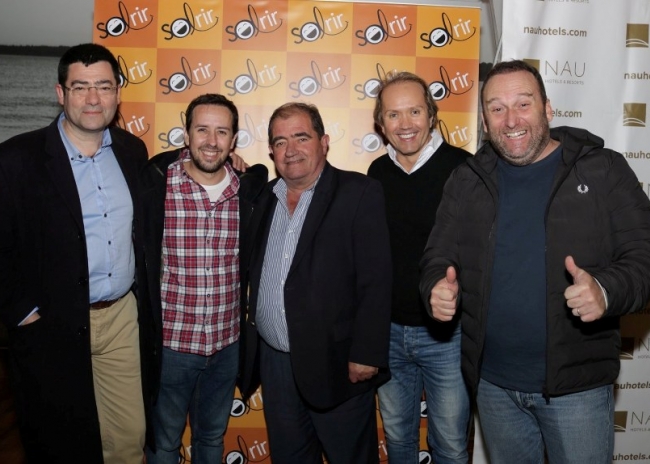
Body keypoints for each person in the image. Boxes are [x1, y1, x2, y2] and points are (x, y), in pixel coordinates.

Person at [420, 59, 650, 464]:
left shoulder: (603, 169)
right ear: (485, 121)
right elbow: (437, 256)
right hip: (493, 386)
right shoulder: (467, 179)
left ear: (547, 108)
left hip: (576, 389)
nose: (511, 120)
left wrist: (605, 290)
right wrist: (435, 286)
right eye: (497, 108)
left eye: (523, 104)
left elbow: (644, 256)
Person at [0, 43, 155, 463]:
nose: (93, 98)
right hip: (52, 323)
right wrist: (22, 312)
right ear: (60, 93)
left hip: (120, 318)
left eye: (103, 86)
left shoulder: (132, 151)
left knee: (128, 439)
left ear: (118, 93)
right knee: (61, 442)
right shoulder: (16, 159)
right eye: (80, 87)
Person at [240, 102, 392, 463]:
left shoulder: (359, 192)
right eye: (280, 142)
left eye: (301, 137)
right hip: (276, 365)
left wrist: (366, 353)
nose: (290, 150)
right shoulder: (264, 197)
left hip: (337, 364)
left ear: (323, 142)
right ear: (271, 151)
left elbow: (376, 280)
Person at [141, 93, 268, 463]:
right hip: (171, 346)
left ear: (234, 139)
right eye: (202, 130)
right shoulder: (156, 186)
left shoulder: (248, 191)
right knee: (163, 442)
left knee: (212, 439)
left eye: (221, 132)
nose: (212, 141)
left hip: (227, 346)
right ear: (185, 135)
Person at [368, 71, 471, 463]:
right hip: (388, 333)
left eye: (414, 111)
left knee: (451, 444)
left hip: (448, 335)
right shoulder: (377, 173)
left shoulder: (465, 169)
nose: (405, 123)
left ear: (431, 114)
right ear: (381, 124)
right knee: (397, 440)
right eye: (393, 114)